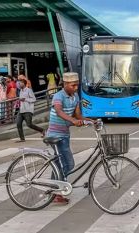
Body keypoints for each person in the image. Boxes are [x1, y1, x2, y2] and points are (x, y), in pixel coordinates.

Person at [46, 72, 94, 204]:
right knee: (66, 164)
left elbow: (78, 115)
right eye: (73, 85)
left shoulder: (75, 96)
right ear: (65, 84)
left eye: (77, 85)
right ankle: (56, 190)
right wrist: (72, 121)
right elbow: (59, 111)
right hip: (54, 135)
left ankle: (54, 187)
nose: (75, 88)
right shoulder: (58, 96)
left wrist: (91, 121)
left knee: (63, 165)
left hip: (65, 135)